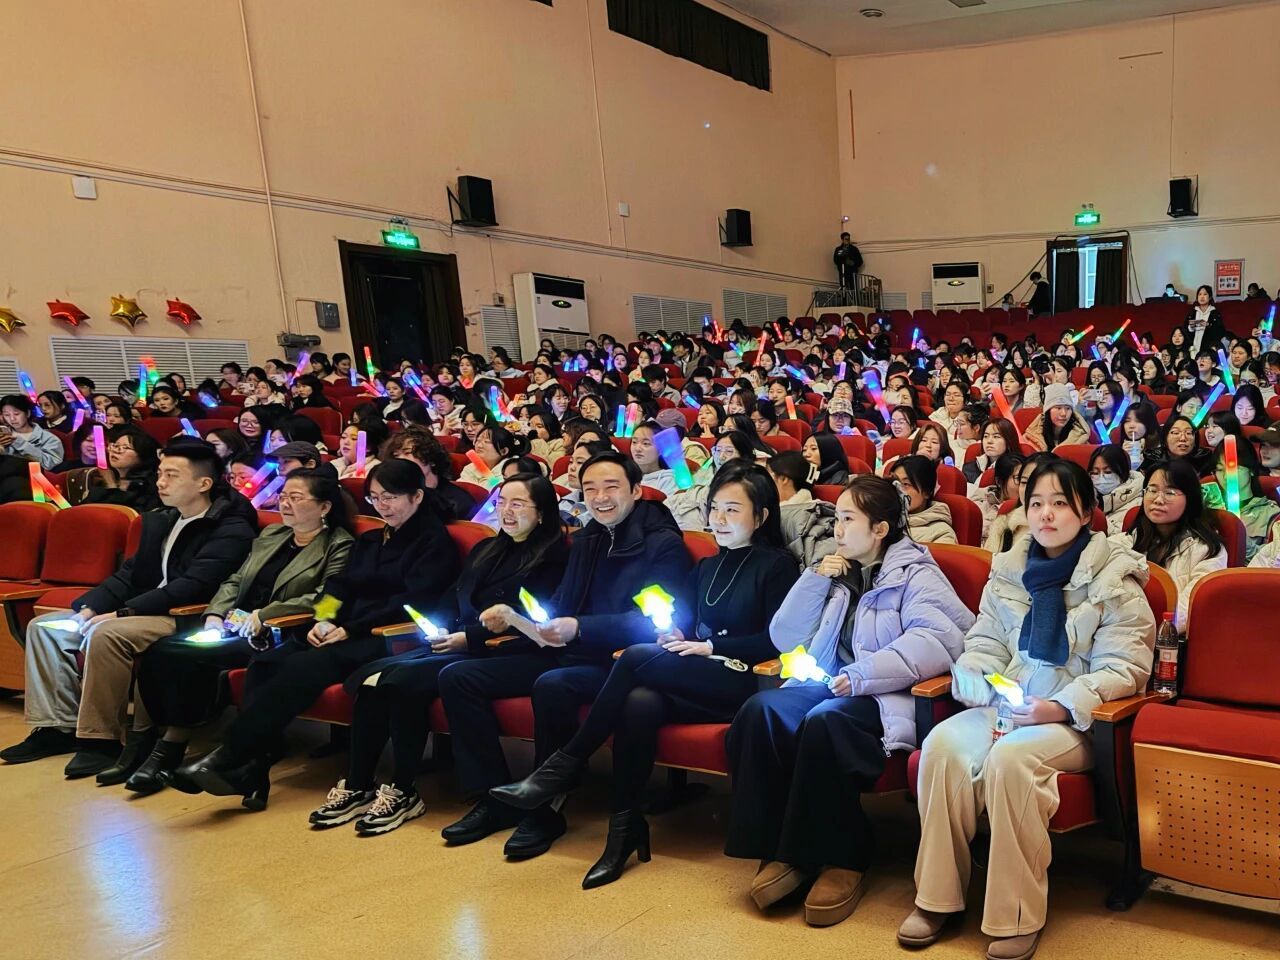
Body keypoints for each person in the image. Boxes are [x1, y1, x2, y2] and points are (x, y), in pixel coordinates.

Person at [491, 464, 801, 886]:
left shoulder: (777, 565)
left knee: (636, 657)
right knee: (638, 702)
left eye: (733, 510)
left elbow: (777, 641)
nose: (719, 519)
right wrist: (675, 633)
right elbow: (682, 622)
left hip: (745, 680)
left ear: (761, 516)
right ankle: (623, 830)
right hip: (699, 675)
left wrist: (713, 647)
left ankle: (562, 766)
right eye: (714, 509)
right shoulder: (708, 567)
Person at [900, 460, 1155, 957]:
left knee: (1012, 759)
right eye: (1036, 503)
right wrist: (974, 671)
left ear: (1086, 511)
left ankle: (1014, 915)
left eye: (1060, 503)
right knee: (943, 746)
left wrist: (1058, 707)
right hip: (1010, 704)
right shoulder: (1009, 571)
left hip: (1074, 721)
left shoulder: (1115, 579)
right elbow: (985, 641)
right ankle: (937, 898)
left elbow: (1124, 669)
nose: (1046, 514)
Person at [727, 475, 972, 926]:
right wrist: (814, 578)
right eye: (836, 518)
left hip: (887, 693)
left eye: (847, 519)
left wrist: (862, 675)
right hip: (834, 681)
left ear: (880, 528)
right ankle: (781, 849)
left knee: (826, 721)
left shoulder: (916, 573)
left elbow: (937, 641)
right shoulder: (839, 572)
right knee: (762, 711)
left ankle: (845, 855)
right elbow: (785, 637)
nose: (836, 529)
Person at [435, 451, 691, 858]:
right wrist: (521, 620)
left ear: (636, 490)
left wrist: (580, 627)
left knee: (553, 684)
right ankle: (493, 797)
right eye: (590, 489)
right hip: (568, 649)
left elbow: (654, 621)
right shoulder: (588, 537)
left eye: (611, 487)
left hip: (617, 663)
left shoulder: (662, 545)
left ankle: (545, 806)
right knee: (459, 677)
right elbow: (561, 603)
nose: (599, 497)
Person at [169, 459, 460, 807]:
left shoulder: (434, 543)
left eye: (391, 498)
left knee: (301, 667)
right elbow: (340, 585)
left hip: (388, 636)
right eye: (375, 498)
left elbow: (412, 602)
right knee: (267, 662)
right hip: (342, 629)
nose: (382, 506)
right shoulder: (373, 539)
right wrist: (323, 618)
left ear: (417, 496)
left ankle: (229, 756)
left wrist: (349, 628)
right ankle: (253, 769)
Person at [310, 474, 569, 835]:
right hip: (449, 640)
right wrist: (442, 628)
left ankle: (403, 789)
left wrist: (468, 638)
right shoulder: (485, 547)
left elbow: (533, 618)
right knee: (371, 680)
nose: (506, 512)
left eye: (518, 504)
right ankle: (358, 783)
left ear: (541, 512)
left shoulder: (553, 556)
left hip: (500, 649)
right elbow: (451, 597)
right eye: (501, 503)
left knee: (399, 681)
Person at [0, 441, 258, 779]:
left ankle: (100, 739)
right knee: (45, 628)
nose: (160, 482)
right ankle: (57, 726)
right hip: (143, 610)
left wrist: (121, 614)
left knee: (107, 633)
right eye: (160, 474)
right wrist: (90, 608)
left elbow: (192, 586)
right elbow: (129, 575)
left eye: (172, 475)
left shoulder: (231, 529)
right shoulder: (164, 519)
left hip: (186, 616)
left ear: (203, 483)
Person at [126, 470, 355, 792]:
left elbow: (325, 597)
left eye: (295, 498)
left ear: (324, 507)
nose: (285, 504)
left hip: (278, 633)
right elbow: (236, 579)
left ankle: (170, 749)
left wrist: (265, 614)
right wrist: (215, 614)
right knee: (161, 651)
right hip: (235, 625)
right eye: (283, 496)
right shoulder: (273, 534)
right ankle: (161, 742)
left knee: (188, 658)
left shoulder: (339, 545)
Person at [1127, 460, 1226, 631]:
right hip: (1122, 632)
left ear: (1190, 498)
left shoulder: (1208, 551)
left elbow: (1191, 609)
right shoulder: (1127, 541)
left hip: (1169, 637)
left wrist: (1139, 626)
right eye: (1152, 490)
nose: (1158, 500)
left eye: (1170, 492)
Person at [1200, 441, 1280, 563]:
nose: (1226, 476)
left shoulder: (1271, 515)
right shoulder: (1207, 507)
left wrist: (1240, 539)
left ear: (1251, 470)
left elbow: (1270, 561)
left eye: (1234, 468)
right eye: (1220, 469)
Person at [380, 426, 475, 520]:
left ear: (431, 459)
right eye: (396, 455)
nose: (400, 460)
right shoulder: (388, 496)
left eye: (407, 453)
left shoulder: (458, 502)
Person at [891, 455, 956, 544]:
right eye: (895, 482)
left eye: (906, 484)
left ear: (927, 492)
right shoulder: (882, 520)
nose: (897, 489)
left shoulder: (942, 533)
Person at [1088, 445, 1144, 534]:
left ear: (1123, 472)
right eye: (1095, 473)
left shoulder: (1139, 504)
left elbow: (1123, 536)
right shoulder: (1086, 497)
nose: (1101, 478)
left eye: (1108, 472)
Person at [1022, 385, 1089, 452]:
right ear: (1048, 411)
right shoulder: (1031, 437)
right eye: (1058, 408)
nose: (1063, 413)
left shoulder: (1080, 438)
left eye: (1068, 408)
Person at [965, 417, 1019, 486]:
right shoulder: (970, 468)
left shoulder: (1017, 471)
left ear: (1008, 441)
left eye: (996, 436)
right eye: (986, 436)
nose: (989, 441)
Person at [1186, 285, 1226, 356]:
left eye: (1205, 294)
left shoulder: (1215, 314)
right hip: (1192, 348)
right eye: (1200, 294)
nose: (1202, 297)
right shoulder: (1192, 312)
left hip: (1207, 349)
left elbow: (1220, 331)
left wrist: (1208, 325)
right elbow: (1185, 329)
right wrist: (1192, 327)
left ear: (1210, 297)